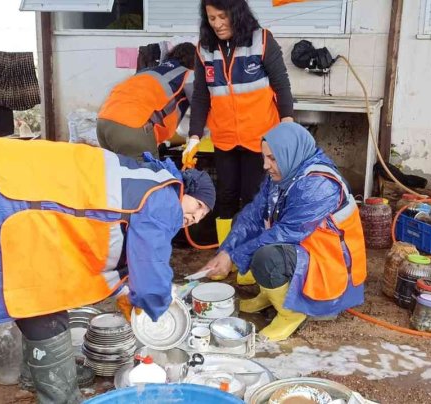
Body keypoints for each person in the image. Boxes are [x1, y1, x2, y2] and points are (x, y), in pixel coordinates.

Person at [0, 138, 214, 404]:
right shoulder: (163, 197)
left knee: (37, 296)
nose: (195, 218)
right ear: (186, 189)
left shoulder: (148, 179)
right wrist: (160, 310)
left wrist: (124, 289)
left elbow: (107, 232)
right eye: (199, 206)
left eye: (201, 217)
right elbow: (150, 272)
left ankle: (31, 374)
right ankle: (62, 399)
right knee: (43, 304)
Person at [199, 123, 367, 342]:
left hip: (328, 262)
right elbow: (254, 214)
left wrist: (235, 257)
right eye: (265, 157)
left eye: (272, 158)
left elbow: (286, 232)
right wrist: (226, 251)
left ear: (290, 152)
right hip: (304, 248)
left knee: (267, 257)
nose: (266, 165)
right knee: (243, 219)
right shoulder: (287, 172)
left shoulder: (318, 184)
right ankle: (271, 294)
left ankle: (291, 314)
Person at [187, 0, 295, 267]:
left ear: (236, 14)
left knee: (253, 198)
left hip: (259, 139)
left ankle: (248, 258)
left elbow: (282, 86)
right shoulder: (205, 49)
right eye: (211, 18)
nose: (217, 24)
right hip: (224, 139)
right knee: (224, 197)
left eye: (222, 17)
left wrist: (287, 127)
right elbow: (201, 96)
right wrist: (193, 137)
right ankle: (225, 254)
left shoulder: (261, 41)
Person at [97, 43, 197, 159]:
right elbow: (201, 106)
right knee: (147, 173)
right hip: (131, 127)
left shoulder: (148, 71)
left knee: (116, 172)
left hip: (103, 123)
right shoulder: (188, 74)